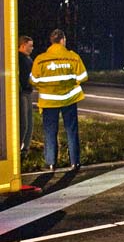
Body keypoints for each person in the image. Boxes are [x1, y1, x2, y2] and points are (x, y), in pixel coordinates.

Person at [29, 29, 88, 171]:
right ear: (62, 40)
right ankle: (75, 162)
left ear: (51, 41)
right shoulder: (73, 57)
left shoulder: (40, 59)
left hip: (49, 101)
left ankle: (51, 163)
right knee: (71, 130)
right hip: (69, 99)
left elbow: (33, 80)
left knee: (50, 131)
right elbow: (83, 77)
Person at [18, 35, 35, 158]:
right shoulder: (18, 59)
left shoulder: (28, 59)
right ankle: (19, 149)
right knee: (24, 123)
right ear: (23, 45)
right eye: (30, 46)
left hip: (28, 92)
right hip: (22, 93)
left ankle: (25, 150)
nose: (32, 48)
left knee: (29, 123)